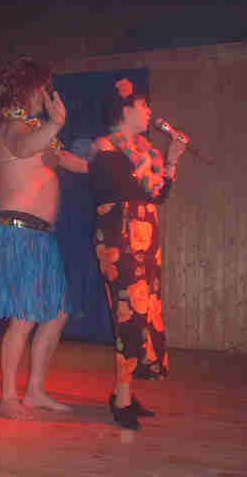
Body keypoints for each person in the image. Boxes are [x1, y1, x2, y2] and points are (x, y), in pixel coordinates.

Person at [0, 56, 88, 419]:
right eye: (44, 88)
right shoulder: (12, 127)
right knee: (25, 316)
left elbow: (67, 160)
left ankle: (35, 391)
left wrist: (105, 164)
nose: (47, 94)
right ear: (28, 89)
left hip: (41, 237)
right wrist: (56, 123)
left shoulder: (37, 129)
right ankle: (8, 398)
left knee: (56, 314)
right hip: (18, 233)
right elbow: (25, 148)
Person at [88, 78, 187, 430]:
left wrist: (171, 161)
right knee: (128, 314)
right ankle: (122, 399)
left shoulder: (145, 151)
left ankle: (125, 392)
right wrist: (153, 164)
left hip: (146, 237)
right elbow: (125, 189)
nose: (149, 112)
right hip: (120, 238)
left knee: (145, 313)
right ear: (125, 110)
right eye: (143, 106)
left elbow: (158, 196)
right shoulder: (104, 147)